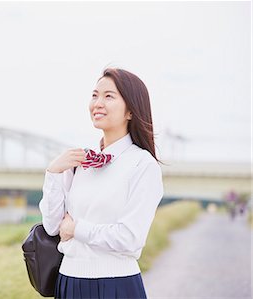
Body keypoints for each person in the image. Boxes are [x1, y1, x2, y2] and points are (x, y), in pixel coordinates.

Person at [39, 67, 164, 299]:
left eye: (109, 96)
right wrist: (53, 173)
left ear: (130, 111)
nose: (97, 103)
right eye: (95, 95)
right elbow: (53, 226)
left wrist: (77, 229)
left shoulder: (142, 165)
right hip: (67, 282)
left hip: (116, 285)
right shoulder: (79, 161)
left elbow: (129, 238)